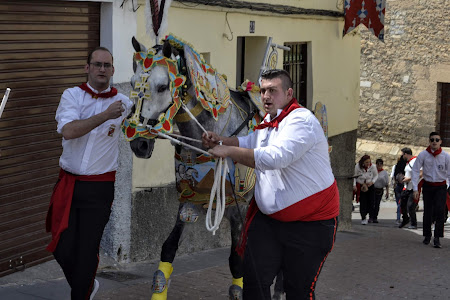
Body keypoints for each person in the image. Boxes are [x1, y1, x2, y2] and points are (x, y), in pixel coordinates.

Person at [202, 69, 339, 299]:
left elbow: (276, 158)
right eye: (263, 90)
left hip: (311, 226)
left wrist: (228, 150)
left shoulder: (301, 121)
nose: (265, 96)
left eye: (272, 91)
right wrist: (222, 140)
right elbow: (252, 141)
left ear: (288, 93)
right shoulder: (270, 120)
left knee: (299, 291)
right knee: (254, 284)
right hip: (269, 223)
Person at [45, 46, 134, 299]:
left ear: (113, 70)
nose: (102, 69)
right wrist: (105, 115)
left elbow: (143, 127)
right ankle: (85, 286)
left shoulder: (125, 104)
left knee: (86, 251)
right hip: (69, 184)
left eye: (107, 65)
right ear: (87, 67)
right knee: (61, 247)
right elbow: (69, 131)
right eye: (97, 64)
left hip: (100, 188)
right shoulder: (71, 96)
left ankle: (81, 293)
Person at [412, 132, 450, 248]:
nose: (434, 142)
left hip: (441, 186)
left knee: (440, 211)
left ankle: (437, 237)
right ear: (429, 141)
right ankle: (427, 235)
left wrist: (448, 186)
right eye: (432, 140)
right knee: (427, 211)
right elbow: (415, 170)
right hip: (428, 185)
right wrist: (415, 188)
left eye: (437, 140)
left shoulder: (446, 156)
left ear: (440, 142)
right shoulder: (423, 155)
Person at [353, 155, 378, 224]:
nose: (368, 164)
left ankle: (371, 216)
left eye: (369, 162)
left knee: (371, 201)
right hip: (361, 185)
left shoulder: (373, 167)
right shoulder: (358, 167)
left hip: (370, 185)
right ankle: (363, 217)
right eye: (366, 162)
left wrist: (372, 182)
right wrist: (354, 185)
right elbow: (354, 176)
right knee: (363, 202)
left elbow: (376, 175)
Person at [398, 148, 417, 229]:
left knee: (410, 206)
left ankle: (414, 223)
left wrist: (408, 179)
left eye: (402, 154)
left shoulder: (415, 161)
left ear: (406, 154)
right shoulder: (408, 163)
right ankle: (405, 219)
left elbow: (420, 174)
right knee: (402, 204)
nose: (402, 156)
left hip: (413, 187)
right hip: (406, 187)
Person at [371, 158, 389, 223]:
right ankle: (371, 216)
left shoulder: (384, 173)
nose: (379, 166)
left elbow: (387, 183)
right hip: (373, 189)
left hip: (380, 190)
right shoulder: (373, 172)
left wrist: (387, 192)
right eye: (378, 164)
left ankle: (375, 217)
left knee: (377, 204)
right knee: (372, 203)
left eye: (380, 164)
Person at [390, 155, 406, 224]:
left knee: (398, 203)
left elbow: (393, 176)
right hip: (404, 186)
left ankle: (398, 218)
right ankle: (403, 217)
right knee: (402, 203)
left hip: (397, 186)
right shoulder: (406, 167)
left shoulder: (396, 166)